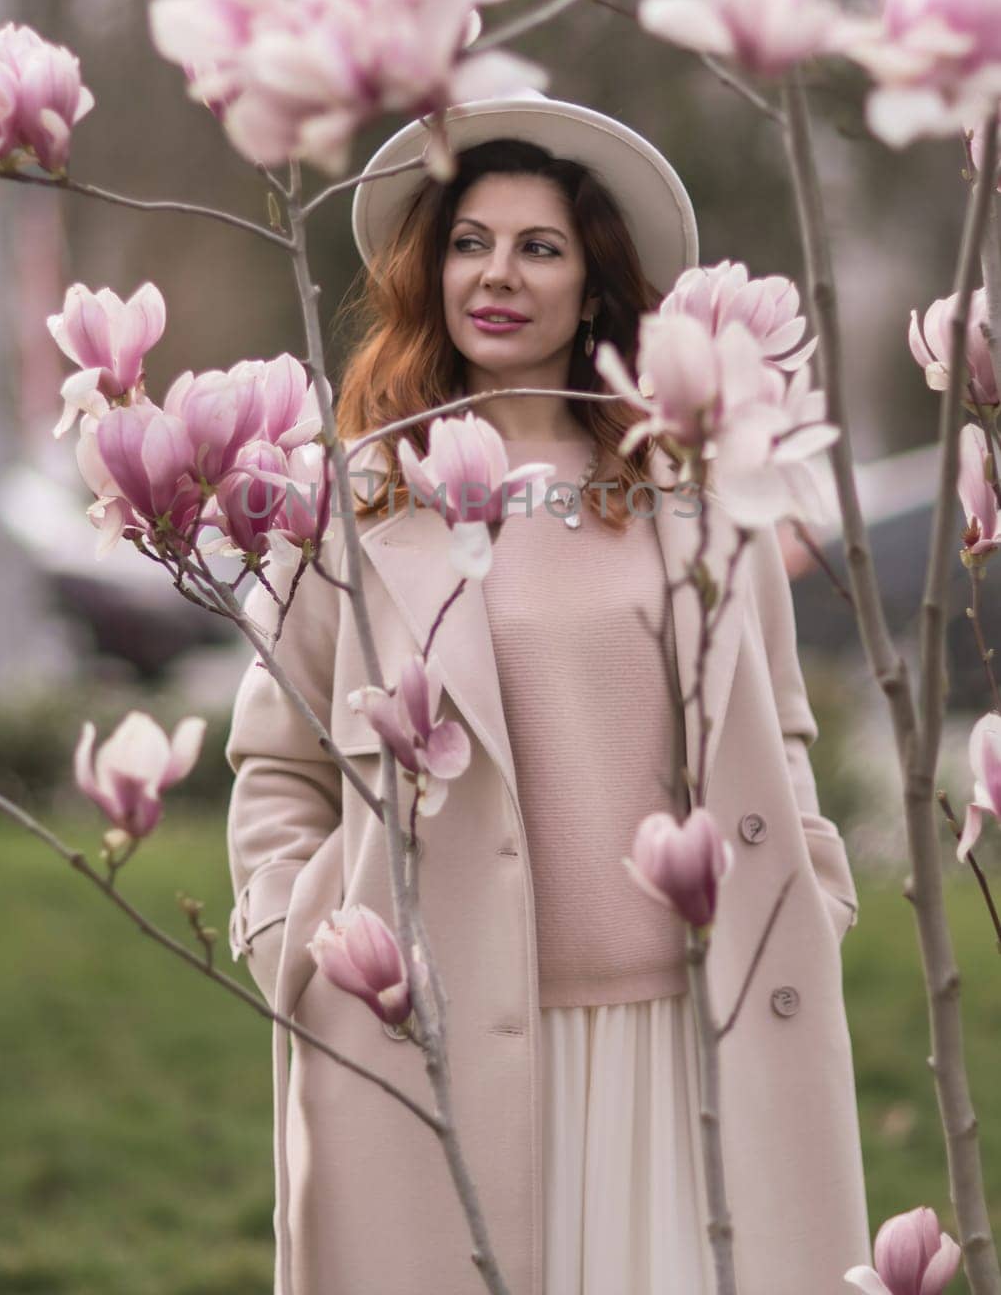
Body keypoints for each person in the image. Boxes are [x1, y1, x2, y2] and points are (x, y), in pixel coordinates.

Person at [225, 92, 870, 1295]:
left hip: (691, 1031)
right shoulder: (358, 500)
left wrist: (813, 896)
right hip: (435, 1026)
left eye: (539, 246)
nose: (497, 274)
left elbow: (775, 738)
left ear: (593, 282)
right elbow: (279, 763)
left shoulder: (699, 489)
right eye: (469, 242)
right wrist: (289, 937)